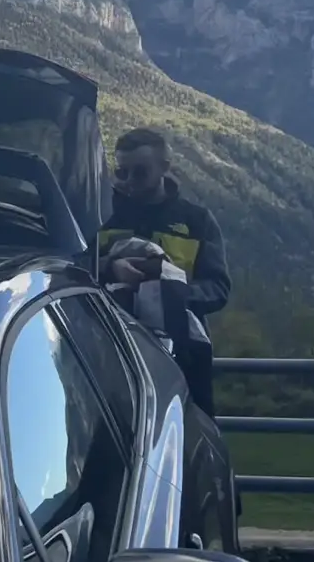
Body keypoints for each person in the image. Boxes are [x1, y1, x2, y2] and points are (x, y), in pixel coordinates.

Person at [99, 127, 231, 416]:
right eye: (122, 172)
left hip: (183, 357)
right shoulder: (101, 216)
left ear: (164, 168)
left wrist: (170, 291)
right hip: (110, 349)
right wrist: (110, 268)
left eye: (140, 172)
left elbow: (218, 287)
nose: (129, 181)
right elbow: (72, 266)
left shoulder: (197, 221)